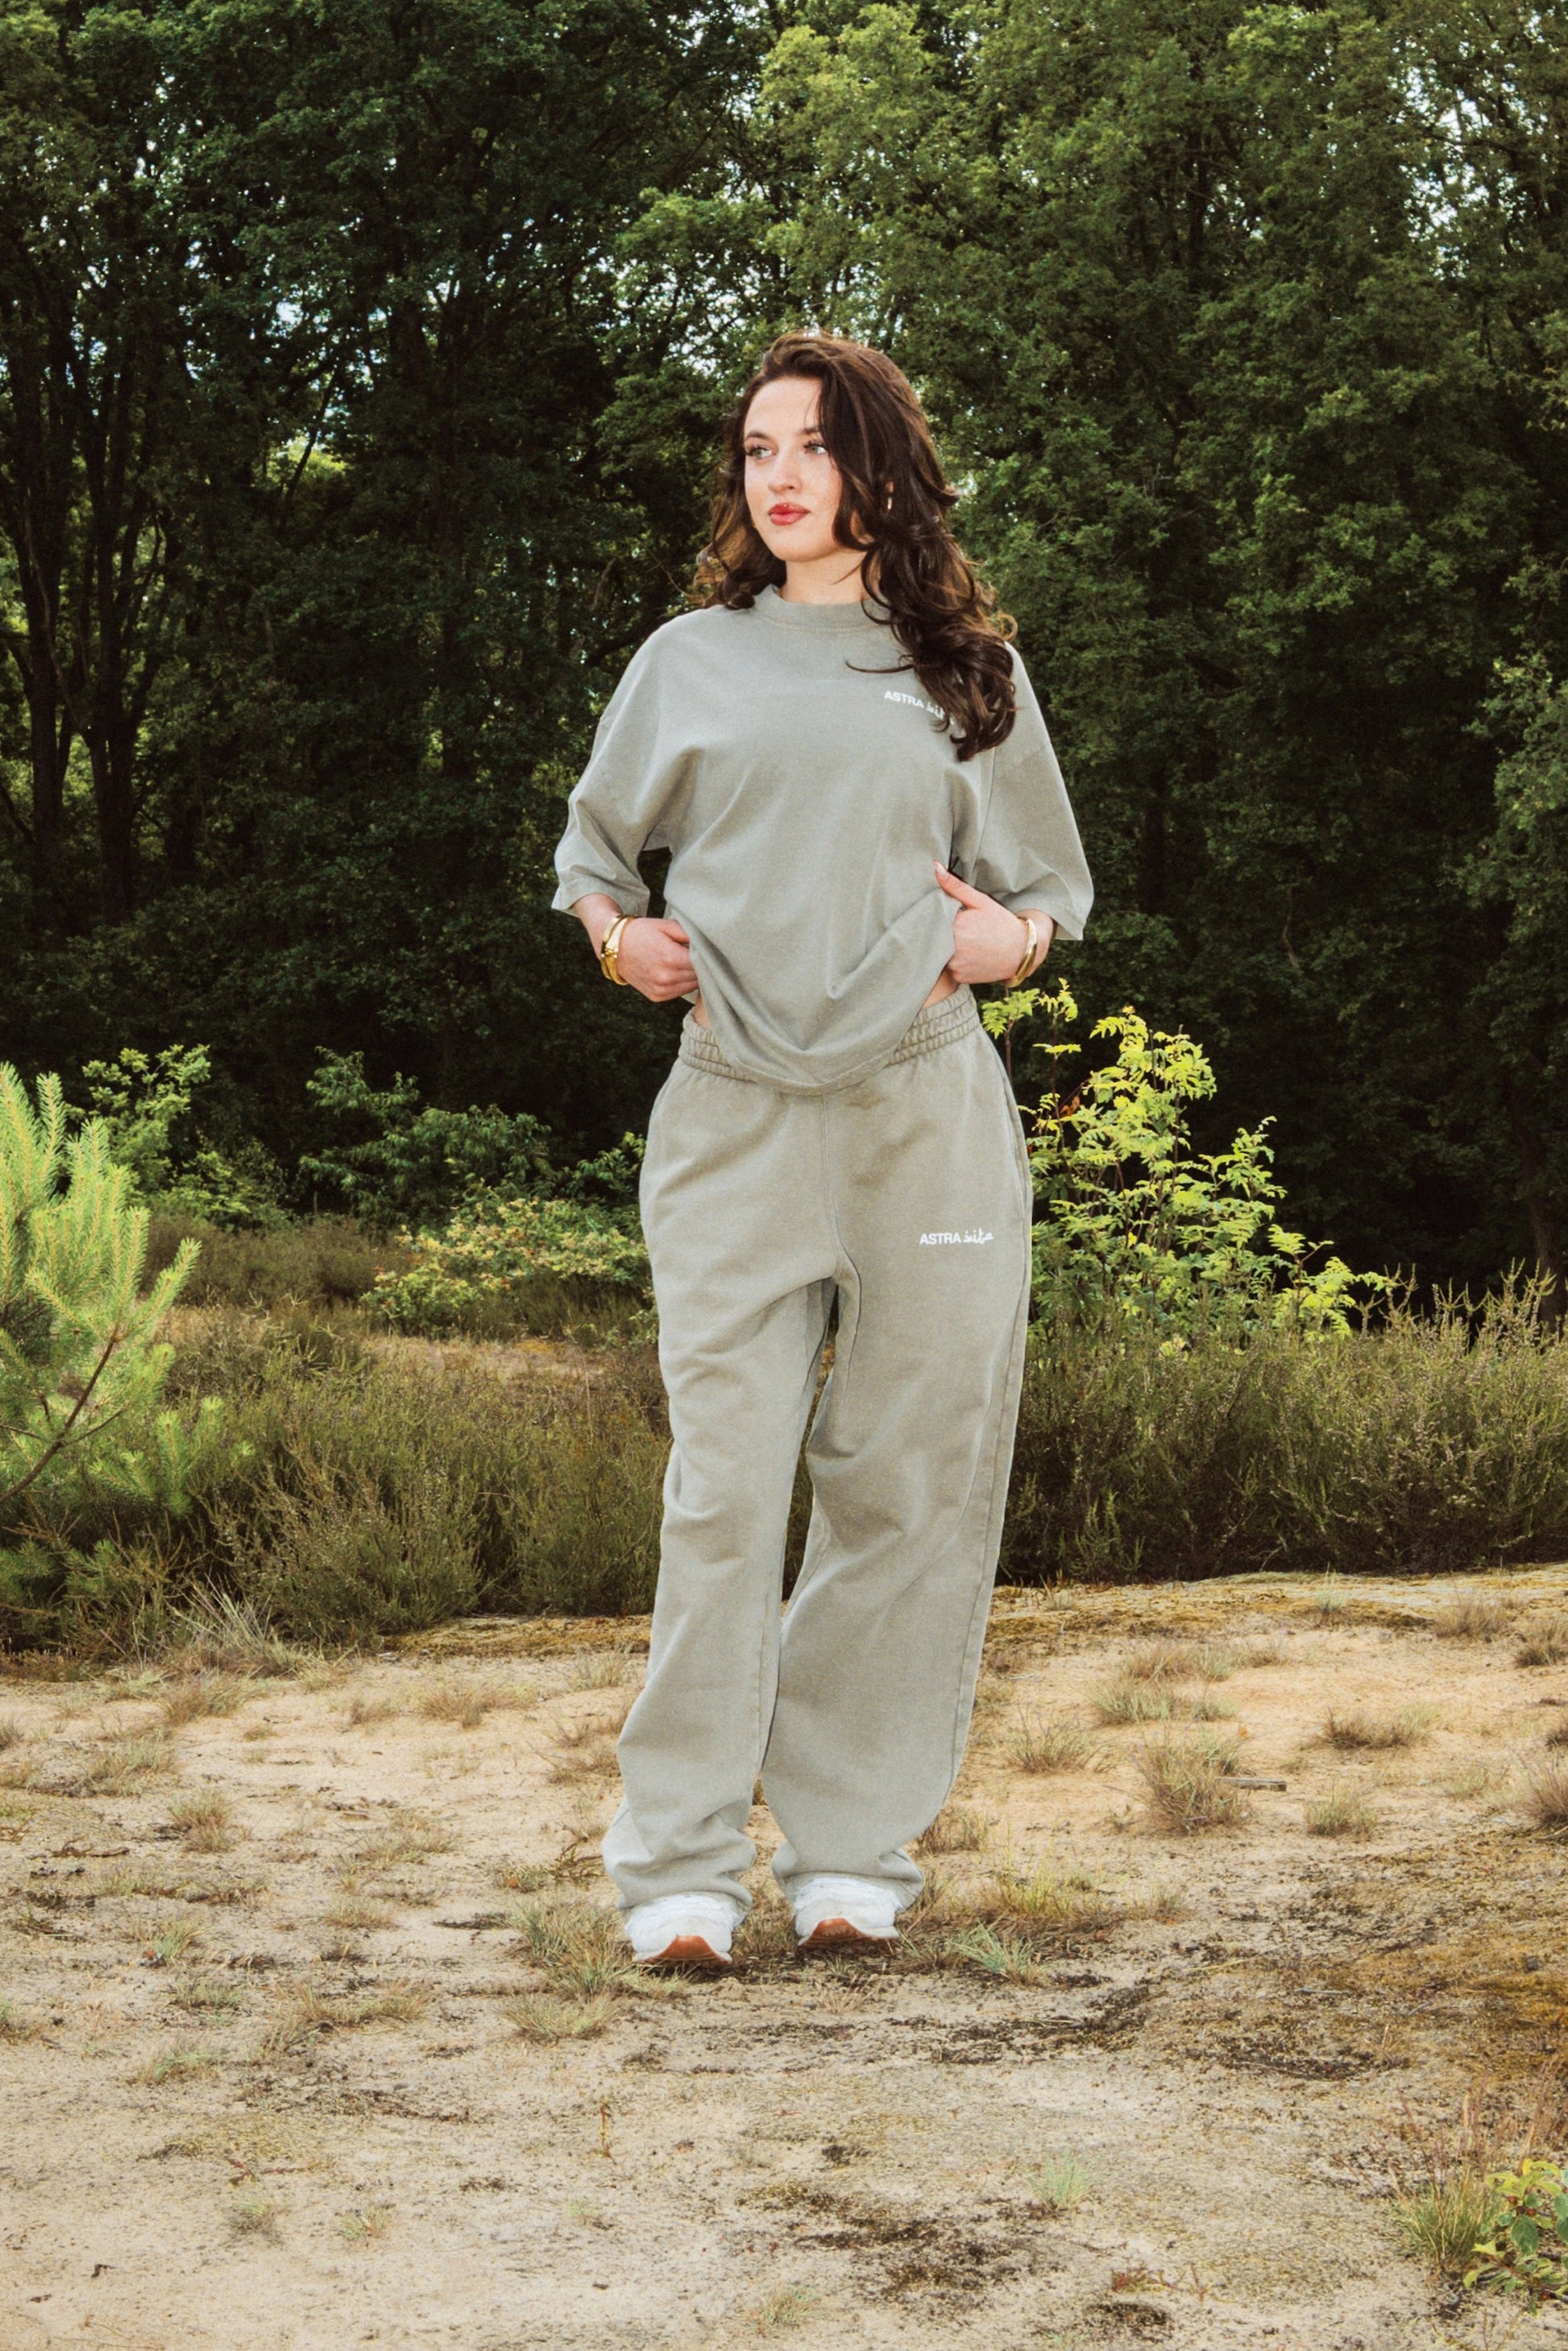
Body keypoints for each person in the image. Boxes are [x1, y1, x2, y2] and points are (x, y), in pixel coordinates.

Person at [553, 332, 1092, 1967]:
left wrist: (1011, 944)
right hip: (732, 1114)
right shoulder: (687, 661)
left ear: (881, 468)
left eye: (814, 445)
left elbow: (1047, 890)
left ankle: (851, 1853)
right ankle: (679, 1870)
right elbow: (593, 855)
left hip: (926, 1117)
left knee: (900, 1483)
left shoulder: (969, 673)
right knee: (723, 1489)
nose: (779, 476)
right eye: (757, 449)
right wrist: (617, 941)